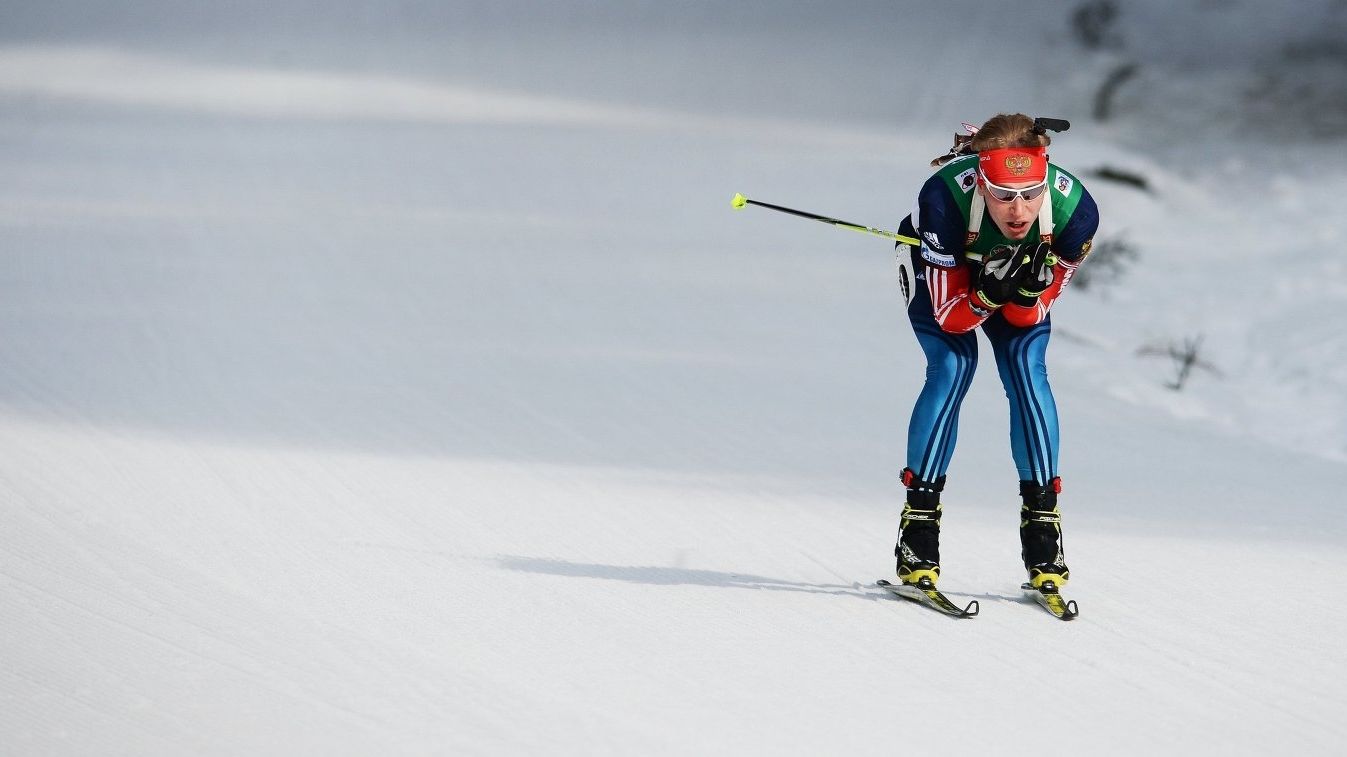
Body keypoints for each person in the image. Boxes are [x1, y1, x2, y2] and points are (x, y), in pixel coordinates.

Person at [891, 113, 1099, 590]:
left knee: (1027, 371)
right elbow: (950, 317)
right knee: (953, 366)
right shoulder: (943, 198)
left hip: (1000, 284)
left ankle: (1043, 526)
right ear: (980, 183)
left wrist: (1025, 297)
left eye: (1031, 193)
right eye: (1003, 194)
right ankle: (918, 526)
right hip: (948, 277)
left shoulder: (1076, 214)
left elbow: (1034, 315)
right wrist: (985, 295)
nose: (1019, 210)